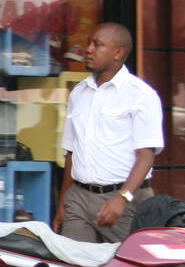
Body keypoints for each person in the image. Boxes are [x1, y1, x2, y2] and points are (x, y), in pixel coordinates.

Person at [53, 22, 163, 242]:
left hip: (123, 198)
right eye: (89, 43)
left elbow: (146, 156)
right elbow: (71, 153)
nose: (88, 50)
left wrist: (122, 198)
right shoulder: (78, 93)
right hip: (79, 198)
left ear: (117, 53)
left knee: (127, 261)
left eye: (97, 45)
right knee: (73, 260)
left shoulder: (141, 95)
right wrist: (63, 203)